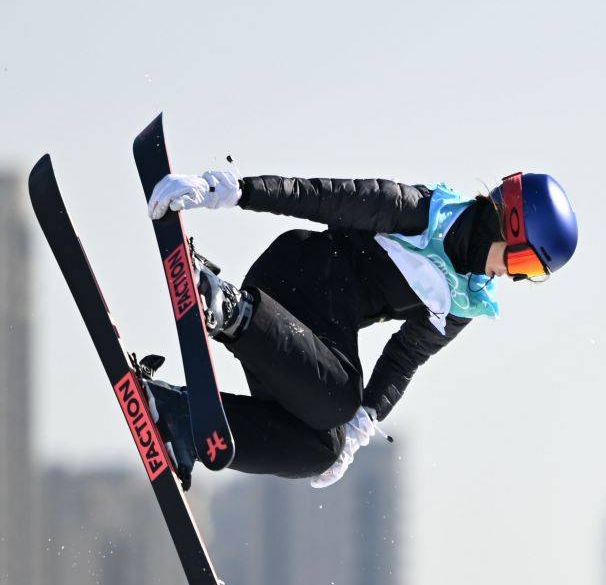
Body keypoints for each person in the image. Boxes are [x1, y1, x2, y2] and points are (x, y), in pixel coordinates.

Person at [140, 163, 578, 486]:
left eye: (530, 275)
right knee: (338, 397)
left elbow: (406, 357)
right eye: (522, 261)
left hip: (296, 338)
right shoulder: (419, 212)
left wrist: (362, 424)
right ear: (508, 220)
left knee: (318, 449)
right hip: (295, 275)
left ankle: (180, 417)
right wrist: (232, 192)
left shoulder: (465, 298)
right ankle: (229, 309)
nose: (513, 276)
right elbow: (319, 197)